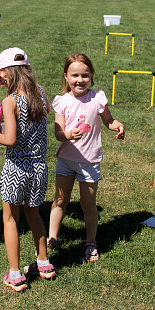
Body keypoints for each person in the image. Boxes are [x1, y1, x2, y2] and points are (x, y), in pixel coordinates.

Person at [0, 47, 56, 292]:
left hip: (17, 168)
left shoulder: (10, 101)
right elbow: (42, 113)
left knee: (10, 220)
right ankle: (44, 262)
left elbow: (11, 139)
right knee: (34, 215)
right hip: (39, 168)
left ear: (5, 74)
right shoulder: (40, 93)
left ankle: (15, 274)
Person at [48, 53, 125, 262]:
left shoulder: (97, 98)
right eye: (75, 75)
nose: (80, 80)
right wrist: (68, 135)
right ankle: (52, 238)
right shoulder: (62, 102)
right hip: (66, 159)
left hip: (90, 162)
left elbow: (108, 120)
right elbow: (58, 133)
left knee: (88, 204)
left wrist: (116, 126)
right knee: (60, 200)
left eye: (85, 75)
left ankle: (91, 242)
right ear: (66, 77)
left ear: (91, 76)